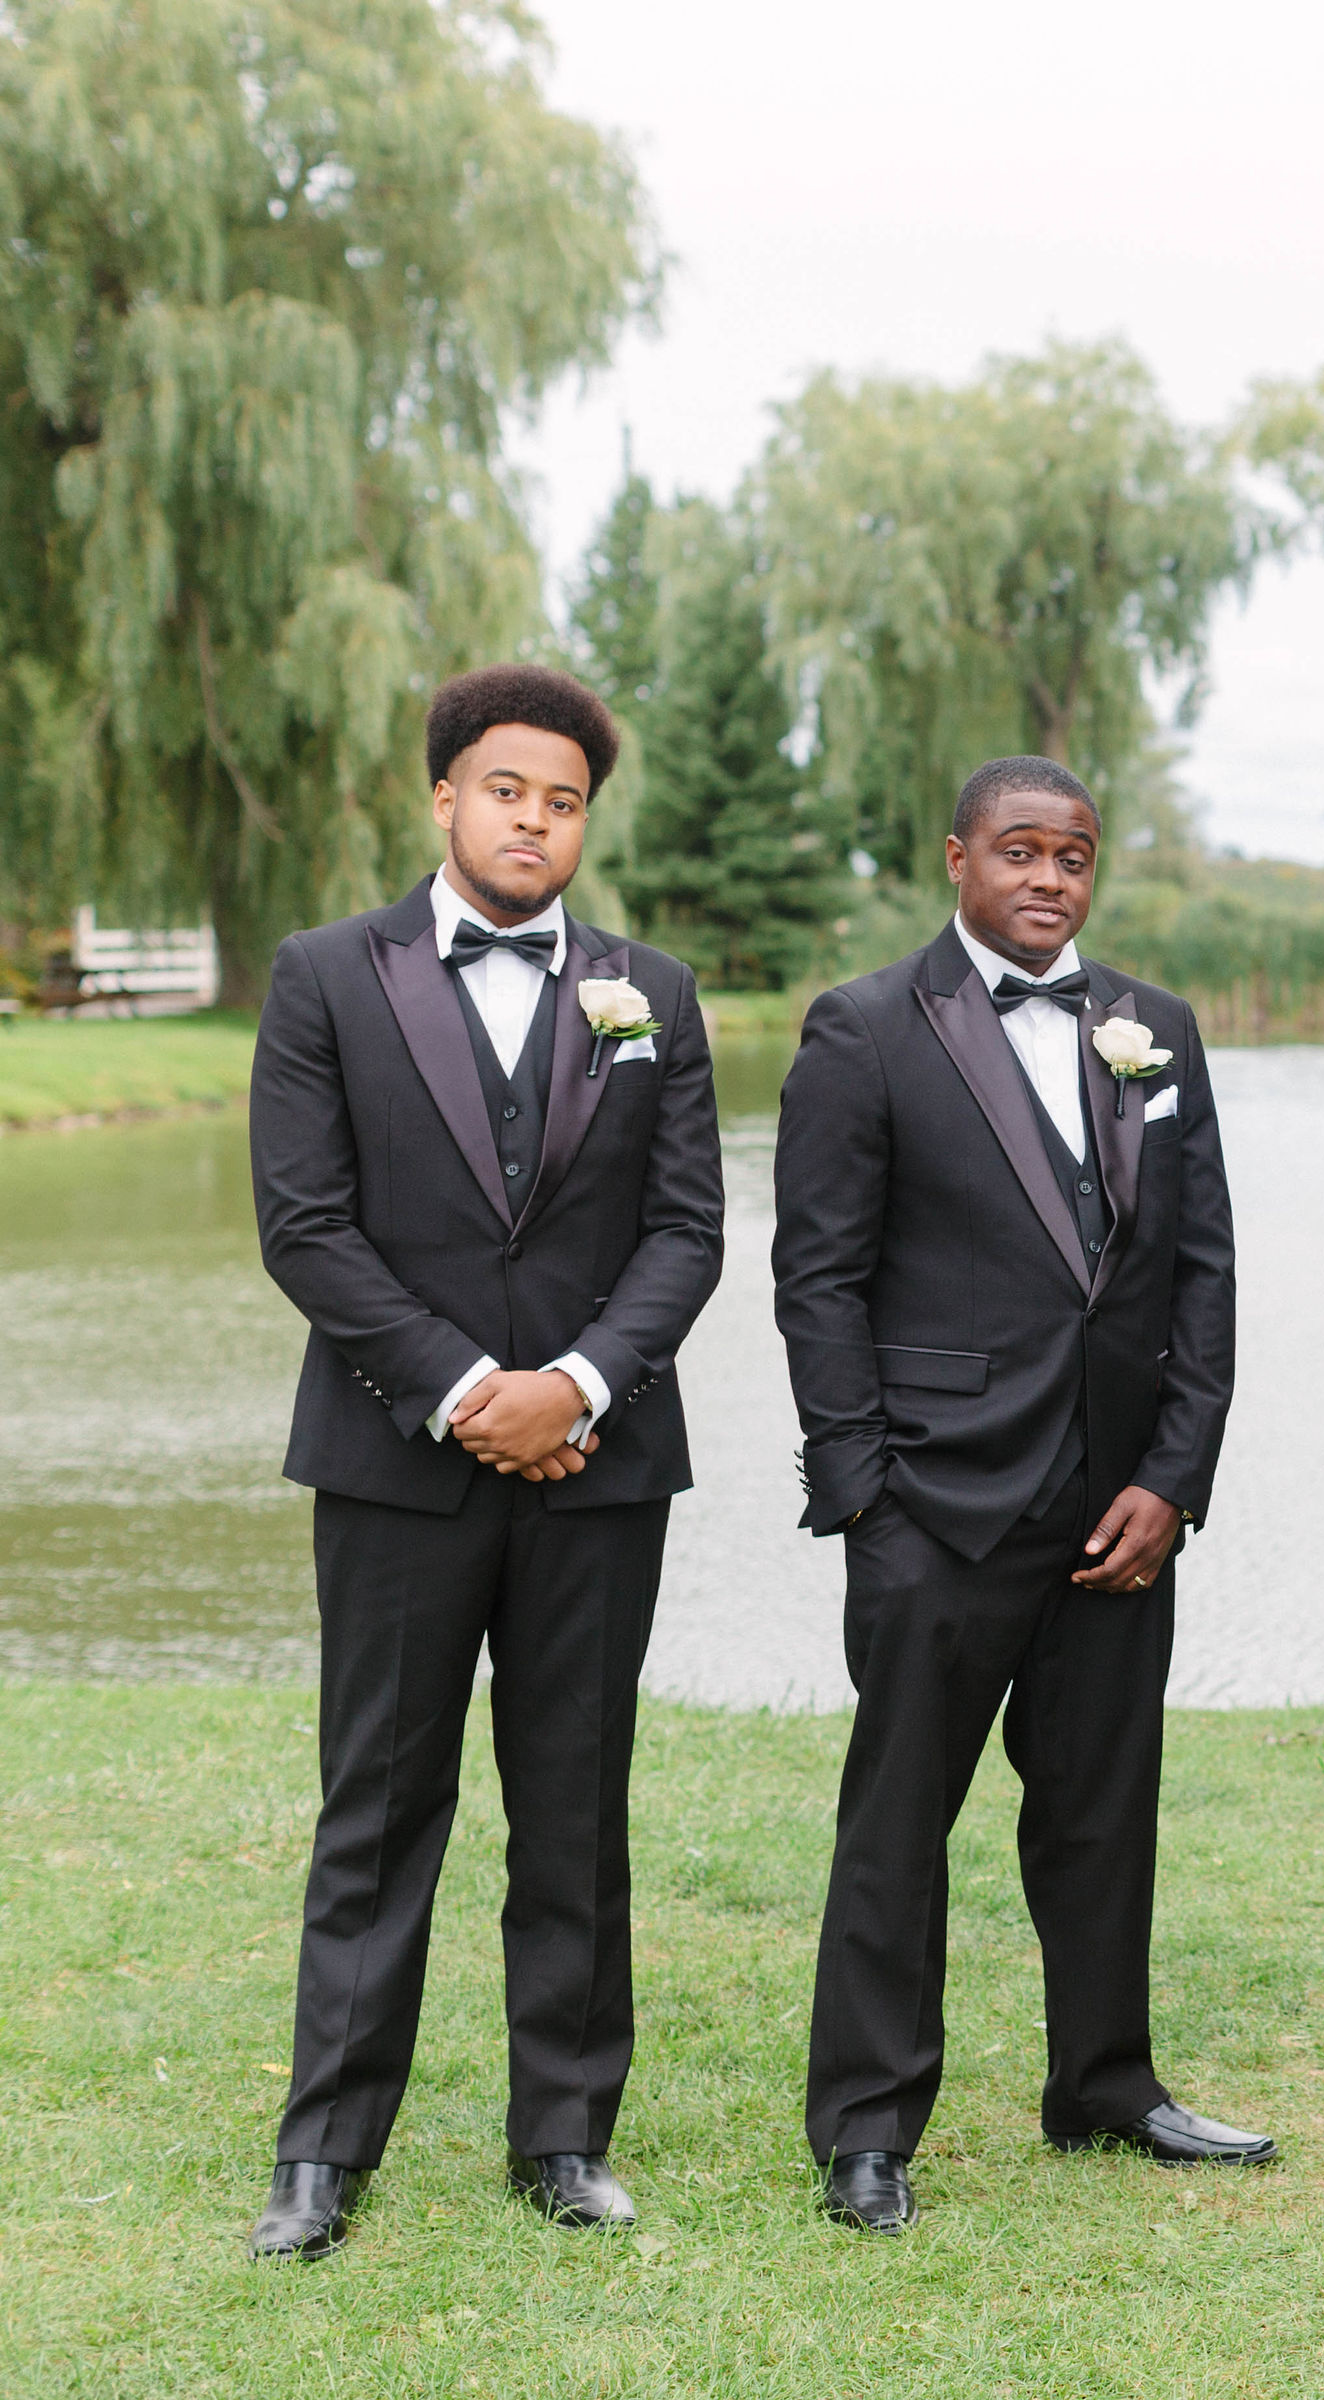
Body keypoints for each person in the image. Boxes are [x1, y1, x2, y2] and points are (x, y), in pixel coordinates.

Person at [243, 667, 724, 2259]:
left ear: (587, 818)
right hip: (397, 1461)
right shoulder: (326, 976)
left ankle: (566, 2135)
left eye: (564, 798)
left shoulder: (649, 986)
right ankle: (325, 2150)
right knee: (377, 1802)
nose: (535, 818)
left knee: (577, 1805)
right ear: (444, 796)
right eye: (507, 789)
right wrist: (466, 1389)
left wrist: (577, 1383)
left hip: (600, 1466)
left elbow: (685, 1230)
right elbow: (307, 1228)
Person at [773, 756, 1266, 2233]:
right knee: (897, 1821)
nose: (1050, 878)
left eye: (1076, 856)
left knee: (1105, 1812)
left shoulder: (1152, 1028)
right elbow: (820, 1279)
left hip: (1118, 1506)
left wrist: (1174, 1479)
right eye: (1021, 852)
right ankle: (868, 2126)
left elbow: (1203, 1273)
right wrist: (868, 1493)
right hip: (936, 1502)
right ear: (958, 858)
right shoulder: (864, 1027)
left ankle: (1105, 2081)